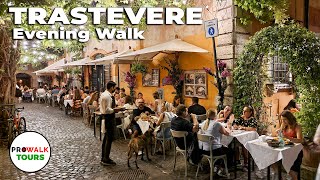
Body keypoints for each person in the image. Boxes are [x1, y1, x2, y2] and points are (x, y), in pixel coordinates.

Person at [199, 109, 233, 175]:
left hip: (204, 150)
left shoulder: (203, 123)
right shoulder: (216, 124)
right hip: (214, 151)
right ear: (215, 115)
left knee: (221, 147)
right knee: (230, 152)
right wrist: (229, 125)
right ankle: (222, 169)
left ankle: (217, 166)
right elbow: (227, 133)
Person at [277, 110, 303, 180]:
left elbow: (300, 140)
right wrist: (279, 132)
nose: (283, 121)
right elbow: (279, 136)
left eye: (285, 119)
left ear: (289, 118)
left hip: (296, 152)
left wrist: (287, 137)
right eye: (282, 120)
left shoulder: (297, 126)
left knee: (290, 169)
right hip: (286, 150)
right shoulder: (284, 125)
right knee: (273, 161)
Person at [99, 81, 120, 166]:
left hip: (108, 118)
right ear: (111, 87)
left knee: (107, 139)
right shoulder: (106, 96)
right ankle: (105, 159)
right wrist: (115, 110)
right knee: (108, 139)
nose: (115, 89)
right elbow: (106, 110)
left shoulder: (106, 95)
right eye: (114, 87)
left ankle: (105, 157)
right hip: (108, 118)